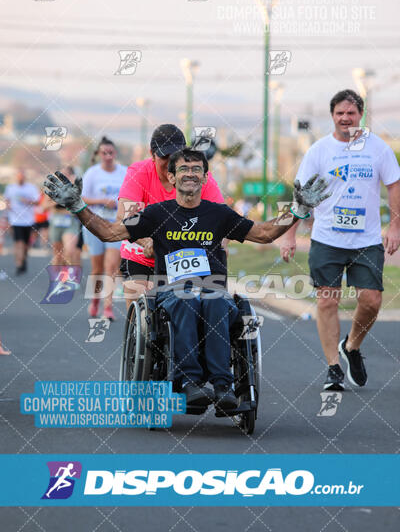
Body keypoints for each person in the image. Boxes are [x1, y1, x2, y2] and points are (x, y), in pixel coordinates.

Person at [43, 148, 330, 409]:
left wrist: (297, 211)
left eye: (196, 170)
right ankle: (189, 383)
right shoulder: (155, 213)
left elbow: (264, 233)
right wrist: (78, 206)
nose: (190, 174)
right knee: (186, 299)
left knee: (216, 301)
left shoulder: (219, 214)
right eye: (183, 169)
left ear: (205, 178)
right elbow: (109, 232)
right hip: (171, 291)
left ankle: (222, 386)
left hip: (213, 289)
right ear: (171, 176)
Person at [279, 89, 400, 391]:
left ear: (361, 115)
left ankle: (352, 345)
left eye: (351, 113)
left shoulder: (378, 149)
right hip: (327, 239)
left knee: (371, 301)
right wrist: (290, 233)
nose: (346, 119)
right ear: (332, 116)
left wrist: (395, 227)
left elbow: (394, 185)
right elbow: (302, 195)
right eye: (339, 114)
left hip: (367, 240)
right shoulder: (319, 150)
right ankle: (333, 367)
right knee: (326, 301)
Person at [116, 124, 224, 310]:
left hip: (182, 258)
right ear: (152, 154)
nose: (170, 161)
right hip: (142, 256)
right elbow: (124, 216)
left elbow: (222, 218)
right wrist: (147, 242)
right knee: (143, 310)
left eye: (175, 155)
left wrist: (217, 244)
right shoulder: (139, 172)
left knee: (193, 309)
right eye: (164, 156)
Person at [82, 137, 127, 320]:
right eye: (104, 153)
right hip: (95, 224)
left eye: (111, 152)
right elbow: (82, 198)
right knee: (97, 268)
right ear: (99, 154)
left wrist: (119, 205)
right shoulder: (92, 173)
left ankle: (107, 306)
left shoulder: (124, 172)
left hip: (115, 224)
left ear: (115, 153)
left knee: (111, 266)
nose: (108, 156)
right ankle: (95, 300)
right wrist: (101, 201)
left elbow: (130, 196)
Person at [44, 166, 82, 267]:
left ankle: (68, 278)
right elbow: (43, 206)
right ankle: (59, 279)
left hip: (71, 223)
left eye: (66, 175)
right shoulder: (52, 188)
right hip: (56, 223)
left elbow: (81, 206)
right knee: (58, 256)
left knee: (69, 251)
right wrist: (55, 202)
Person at [4, 168, 39, 275]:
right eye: (18, 176)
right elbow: (7, 200)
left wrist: (28, 201)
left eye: (22, 176)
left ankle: (23, 260)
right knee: (18, 243)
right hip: (15, 220)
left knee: (26, 244)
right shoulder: (10, 188)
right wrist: (8, 207)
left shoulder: (31, 188)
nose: (20, 178)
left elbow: (37, 202)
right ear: (16, 177)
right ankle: (18, 264)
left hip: (28, 220)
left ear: (25, 177)